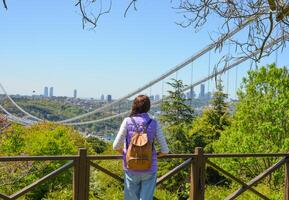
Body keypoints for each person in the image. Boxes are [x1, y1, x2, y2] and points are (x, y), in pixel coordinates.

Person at [113, 95, 169, 200]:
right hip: (149, 167)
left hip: (131, 167)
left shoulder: (127, 121)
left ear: (134, 106)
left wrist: (126, 154)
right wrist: (155, 155)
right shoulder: (154, 123)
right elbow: (165, 150)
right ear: (148, 107)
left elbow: (116, 146)